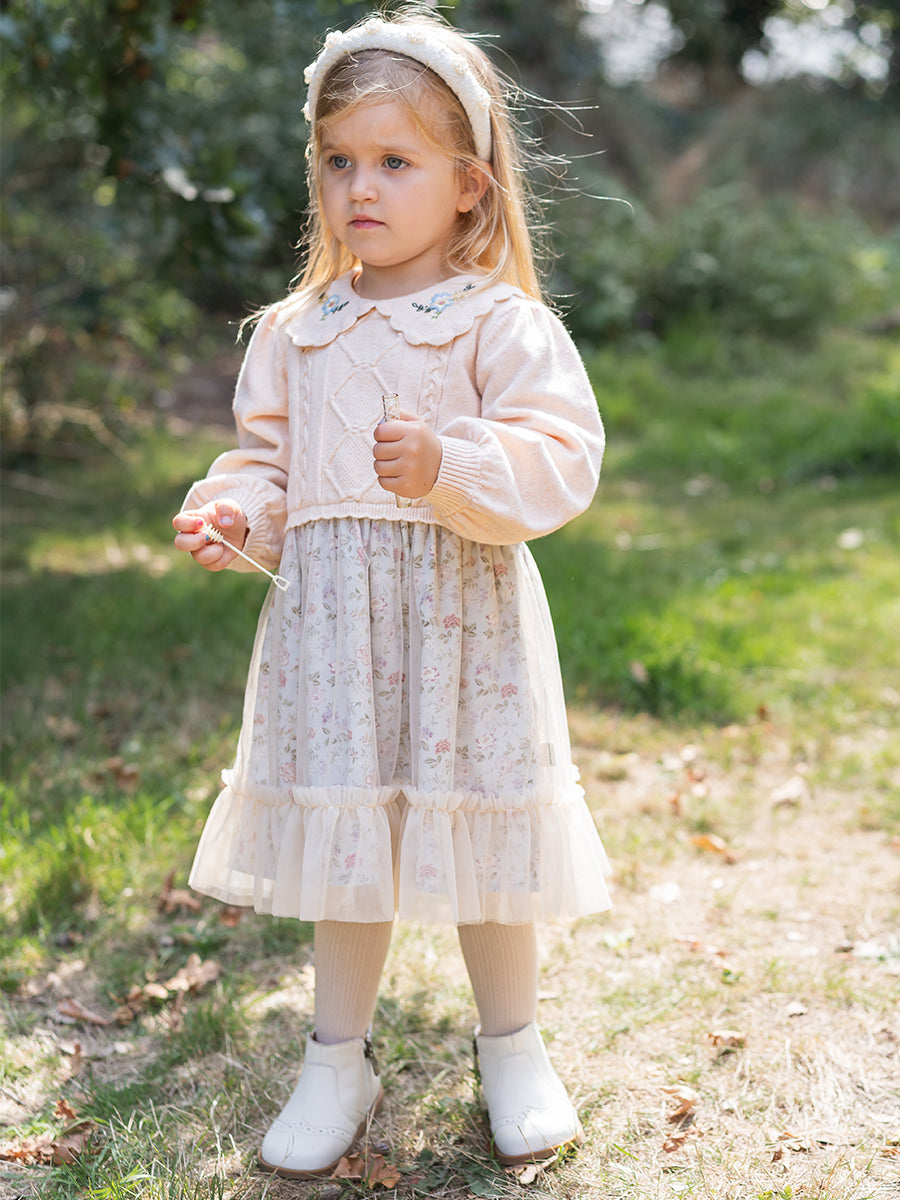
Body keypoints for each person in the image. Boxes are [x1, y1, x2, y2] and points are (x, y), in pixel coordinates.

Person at [172, 6, 611, 1180]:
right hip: (335, 635)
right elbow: (267, 461)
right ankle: (337, 1060)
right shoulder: (297, 332)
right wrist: (238, 514)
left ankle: (512, 1045)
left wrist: (451, 462)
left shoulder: (498, 323)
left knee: (484, 827)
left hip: (465, 623)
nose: (359, 186)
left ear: (468, 184)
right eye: (338, 159)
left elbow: (561, 456)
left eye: (395, 161)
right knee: (347, 833)